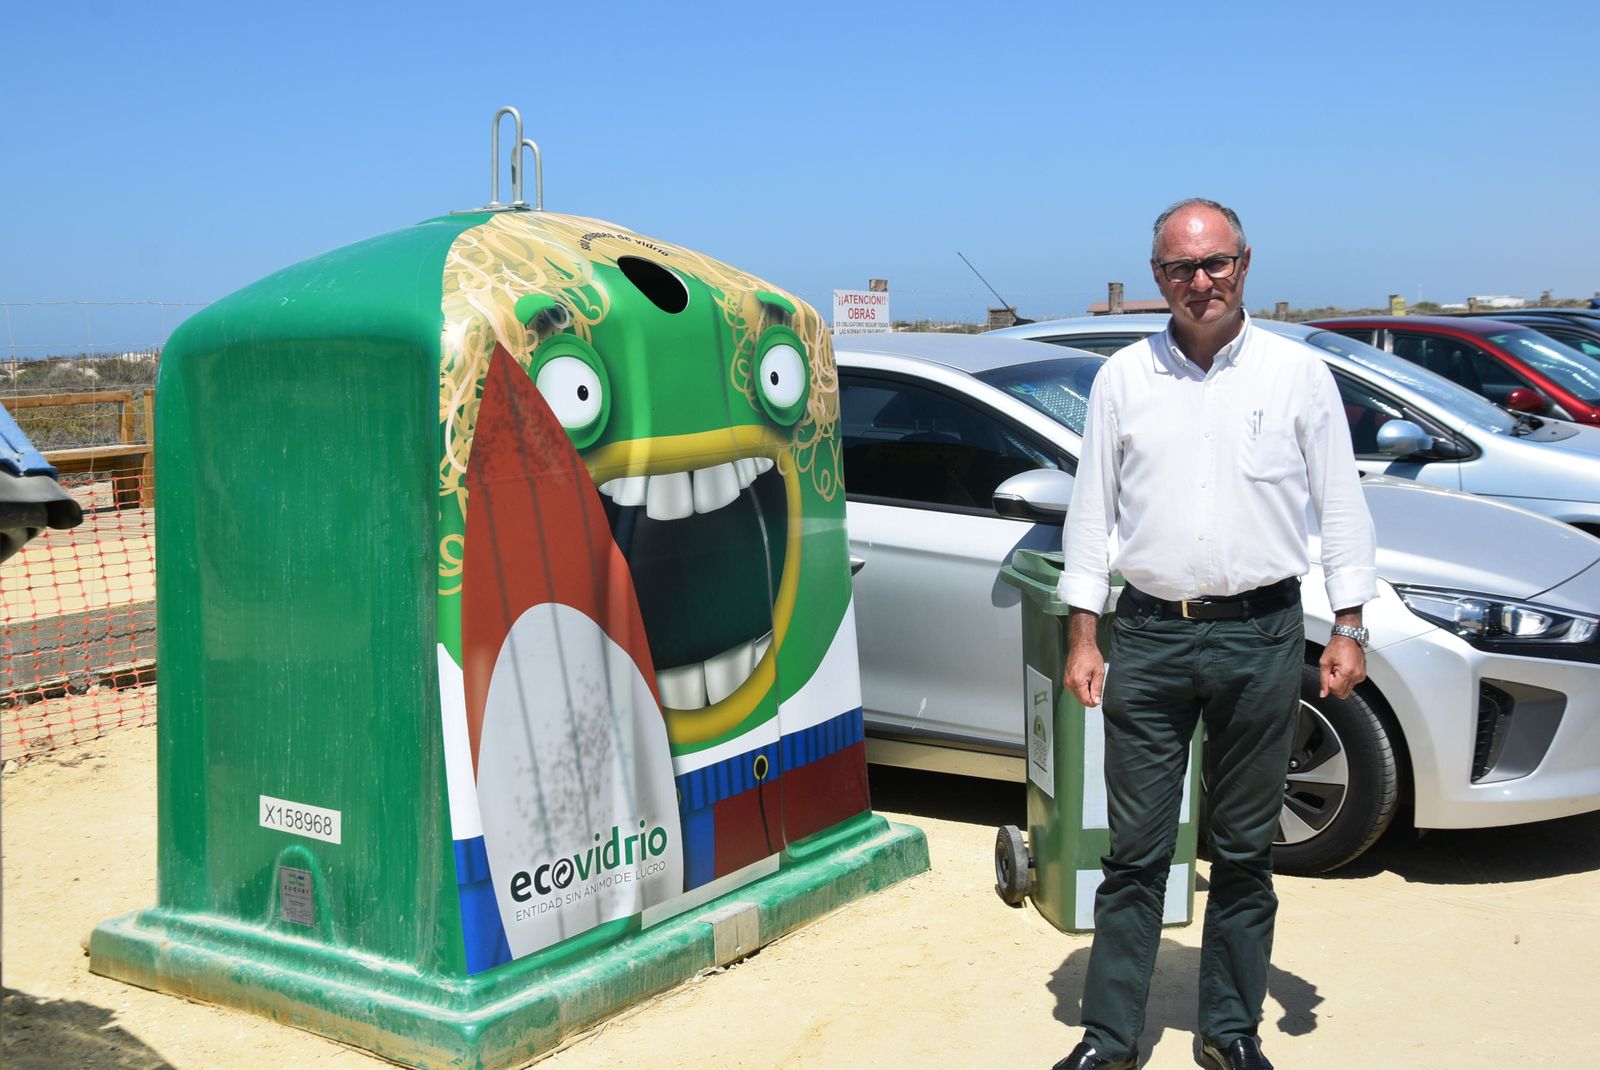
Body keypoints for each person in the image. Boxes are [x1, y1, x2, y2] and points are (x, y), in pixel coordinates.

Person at [1052, 198, 1376, 1070]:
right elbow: (1091, 518)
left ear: (1245, 264)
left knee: (1241, 849)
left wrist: (1349, 623)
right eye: (1179, 269)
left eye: (1214, 264)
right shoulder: (1123, 378)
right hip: (1151, 636)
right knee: (1136, 851)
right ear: (1157, 277)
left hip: (1262, 635)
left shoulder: (1296, 375)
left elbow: (1341, 508)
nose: (1199, 282)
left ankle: (1229, 1030)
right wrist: (1085, 635)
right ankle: (1110, 1035)